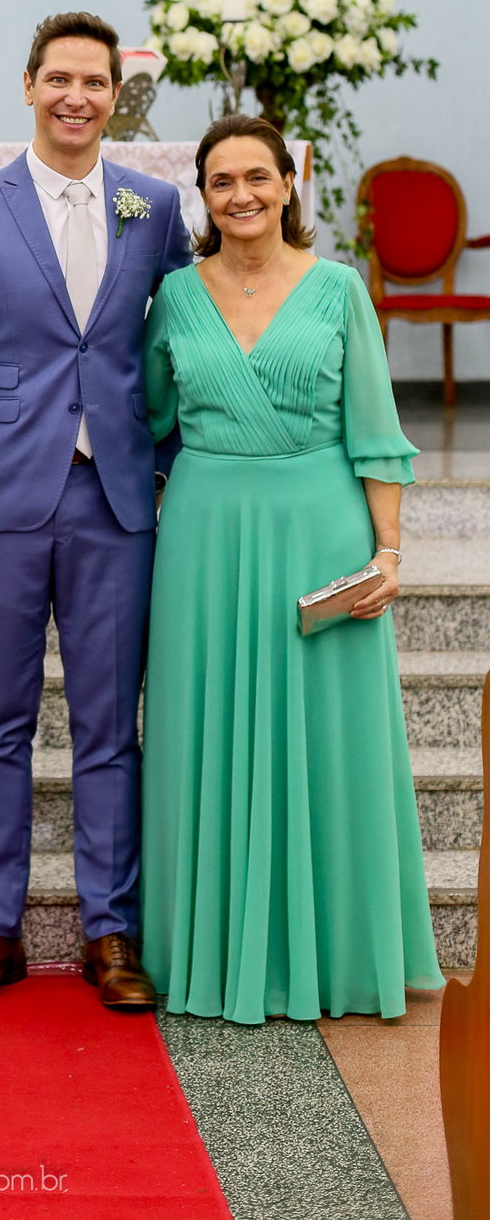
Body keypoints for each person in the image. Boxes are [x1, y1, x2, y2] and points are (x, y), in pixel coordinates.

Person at [0, 14, 192, 1011]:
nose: (77, 97)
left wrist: (171, 464)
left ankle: (110, 932)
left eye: (95, 82)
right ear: (28, 86)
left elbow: (183, 343)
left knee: (110, 725)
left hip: (116, 497)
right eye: (59, 79)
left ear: (117, 95)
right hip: (1, 496)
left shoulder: (155, 206)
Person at [140, 113, 444, 1023]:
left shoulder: (340, 290)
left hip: (321, 529)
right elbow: (145, 418)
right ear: (203, 196)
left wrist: (387, 554)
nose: (241, 195)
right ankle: (210, 951)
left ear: (287, 185)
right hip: (204, 537)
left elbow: (377, 432)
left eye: (257, 177)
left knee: (332, 742)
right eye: (221, 181)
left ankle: (338, 955)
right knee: (205, 732)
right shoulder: (174, 297)